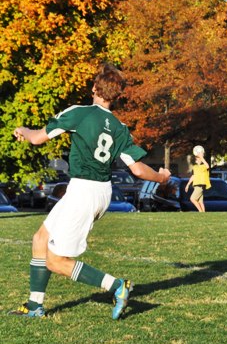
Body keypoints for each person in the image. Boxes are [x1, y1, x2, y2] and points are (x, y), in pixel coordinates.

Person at [10, 64, 171, 319]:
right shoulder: (119, 127)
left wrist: (24, 130)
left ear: (95, 88)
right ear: (116, 95)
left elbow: (38, 137)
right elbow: (139, 170)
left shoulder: (80, 113)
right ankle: (34, 306)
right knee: (40, 239)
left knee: (55, 260)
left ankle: (117, 286)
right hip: (98, 190)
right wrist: (161, 177)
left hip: (84, 191)